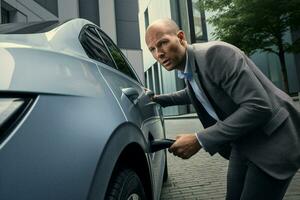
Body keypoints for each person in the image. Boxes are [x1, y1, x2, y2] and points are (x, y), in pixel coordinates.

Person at [145, 18, 300, 200]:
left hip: (273, 140)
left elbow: (258, 106)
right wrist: (157, 99)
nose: (159, 54)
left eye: (162, 43)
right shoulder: (190, 66)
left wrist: (199, 139)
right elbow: (196, 91)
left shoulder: (214, 55)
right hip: (243, 142)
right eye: (152, 50)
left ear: (180, 37)